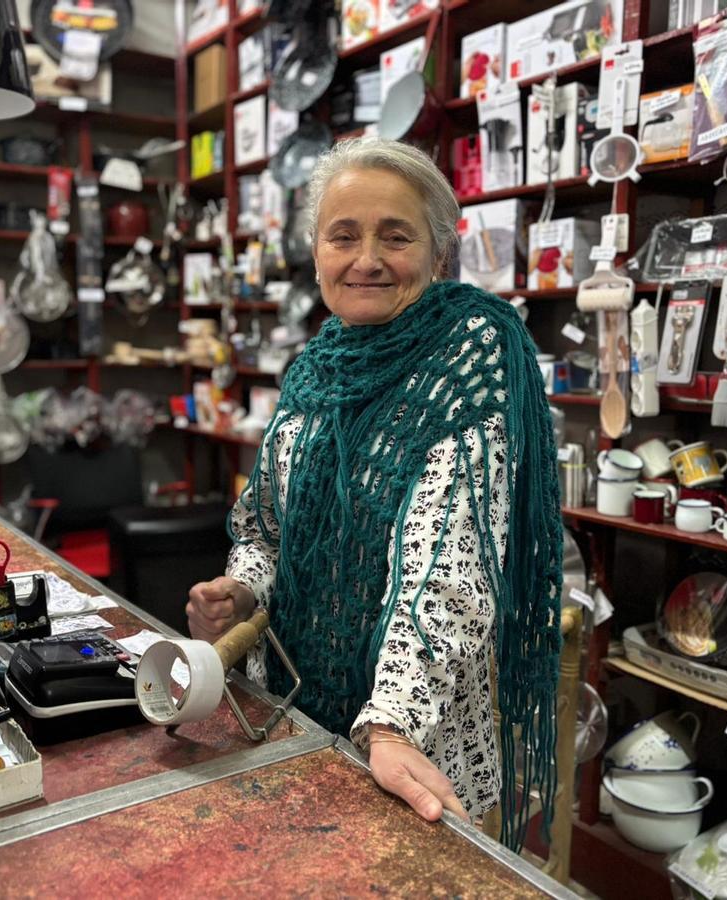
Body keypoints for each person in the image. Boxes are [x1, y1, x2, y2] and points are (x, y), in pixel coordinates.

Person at [186, 138, 563, 847]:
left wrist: (391, 721)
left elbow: (445, 572)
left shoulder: (470, 360)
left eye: (396, 237)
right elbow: (268, 531)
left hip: (414, 746)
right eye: (344, 236)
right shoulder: (314, 368)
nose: (367, 259)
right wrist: (242, 590)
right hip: (292, 710)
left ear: (436, 254)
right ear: (317, 253)